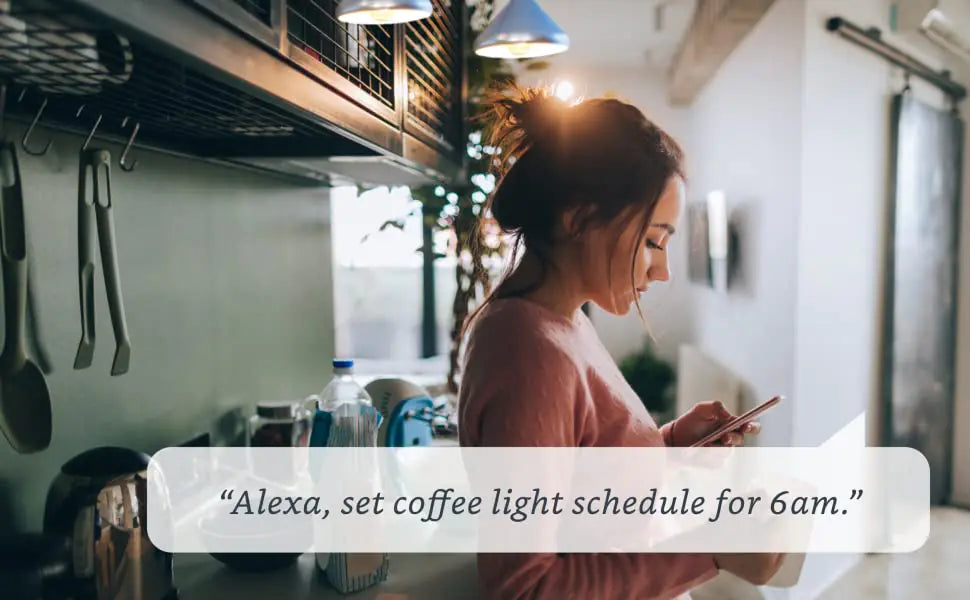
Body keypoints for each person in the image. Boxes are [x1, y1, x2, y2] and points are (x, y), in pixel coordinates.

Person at [457, 85, 785, 599]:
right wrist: (714, 550)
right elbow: (525, 588)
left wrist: (672, 442)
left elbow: (583, 481)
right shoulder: (530, 353)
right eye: (653, 241)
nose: (664, 270)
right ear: (579, 218)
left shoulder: (561, 323)